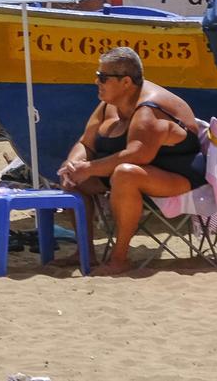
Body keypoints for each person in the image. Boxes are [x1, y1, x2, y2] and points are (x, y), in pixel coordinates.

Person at [58, 46, 208, 274]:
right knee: (72, 179)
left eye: (103, 77)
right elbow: (86, 142)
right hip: (136, 173)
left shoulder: (148, 110)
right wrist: (73, 165)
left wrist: (89, 168)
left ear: (126, 81)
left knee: (125, 174)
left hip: (179, 175)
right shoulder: (110, 102)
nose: (97, 81)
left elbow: (139, 154)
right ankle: (84, 251)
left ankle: (120, 259)